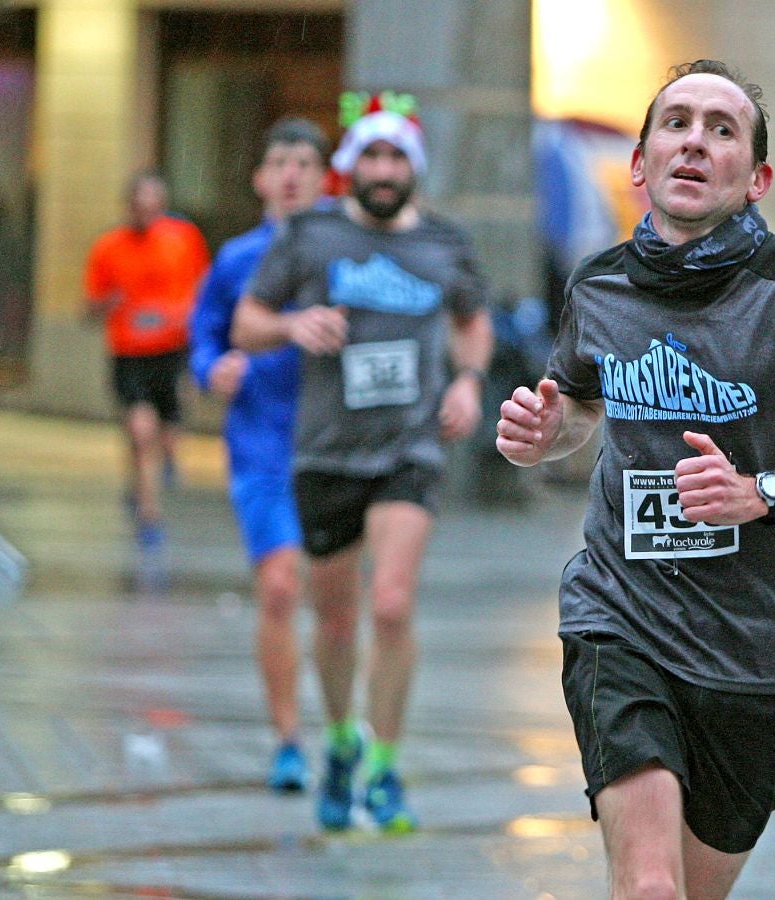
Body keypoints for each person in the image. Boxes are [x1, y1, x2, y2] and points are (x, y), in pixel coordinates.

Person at [496, 60, 775, 899]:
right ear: (640, 162)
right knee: (649, 887)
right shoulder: (600, 283)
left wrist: (763, 492)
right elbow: (581, 405)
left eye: (722, 130)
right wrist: (548, 433)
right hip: (622, 615)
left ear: (755, 178)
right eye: (677, 124)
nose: (696, 140)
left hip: (759, 651)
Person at [231, 96, 493, 833]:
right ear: (350, 169)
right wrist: (290, 323)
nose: (383, 171)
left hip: (407, 449)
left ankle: (384, 765)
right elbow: (246, 324)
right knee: (338, 619)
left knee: (392, 604)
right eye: (370, 157)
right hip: (326, 452)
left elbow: (474, 318)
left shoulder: (445, 244)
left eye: (397, 157)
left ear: (415, 168)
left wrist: (467, 380)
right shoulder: (311, 236)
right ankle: (341, 739)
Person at [188, 118, 329, 793]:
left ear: (325, 177)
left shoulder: (350, 252)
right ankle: (287, 740)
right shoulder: (237, 260)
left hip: (337, 447)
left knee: (338, 600)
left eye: (305, 162)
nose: (292, 174)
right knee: (278, 589)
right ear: (260, 178)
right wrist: (213, 367)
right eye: (281, 162)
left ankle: (346, 727)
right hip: (262, 446)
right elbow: (205, 336)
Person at [84, 171, 211, 548]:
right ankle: (149, 515)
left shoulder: (183, 239)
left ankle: (157, 468)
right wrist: (109, 304)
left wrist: (193, 322)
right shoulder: (108, 247)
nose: (145, 212)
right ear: (129, 206)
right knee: (141, 432)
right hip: (129, 354)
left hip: (172, 350)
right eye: (138, 204)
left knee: (166, 435)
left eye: (153, 204)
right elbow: (90, 307)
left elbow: (205, 289)